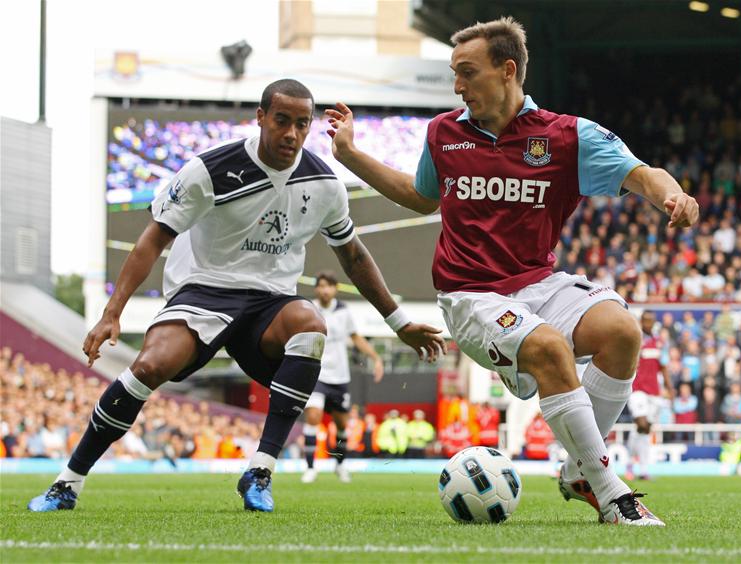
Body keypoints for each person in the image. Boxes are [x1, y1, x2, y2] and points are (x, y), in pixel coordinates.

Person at [326, 17, 699, 525]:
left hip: (539, 285)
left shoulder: (567, 137)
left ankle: (578, 471)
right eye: (454, 74)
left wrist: (672, 194)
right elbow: (419, 196)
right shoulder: (443, 134)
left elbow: (640, 174)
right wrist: (349, 154)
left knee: (622, 332)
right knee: (547, 347)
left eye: (467, 72)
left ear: (507, 71)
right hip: (469, 294)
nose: (458, 85)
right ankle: (613, 494)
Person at [28, 79, 444, 513]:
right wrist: (113, 313)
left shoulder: (324, 183)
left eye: (302, 124)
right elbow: (151, 241)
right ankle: (67, 484)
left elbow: (354, 256)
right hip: (204, 291)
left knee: (310, 326)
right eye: (282, 121)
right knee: (149, 365)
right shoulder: (209, 170)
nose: (291, 134)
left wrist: (399, 323)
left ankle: (260, 472)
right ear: (261, 118)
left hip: (270, 301)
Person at [301, 270, 384, 483]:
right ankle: (310, 467)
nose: (324, 290)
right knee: (313, 417)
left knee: (341, 426)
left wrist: (375, 357)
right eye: (320, 285)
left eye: (328, 285)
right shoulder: (309, 308)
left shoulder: (344, 311)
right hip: (315, 373)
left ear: (335, 288)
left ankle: (339, 465)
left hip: (339, 376)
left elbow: (355, 337)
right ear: (316, 289)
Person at [625, 311, 675, 481]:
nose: (648, 323)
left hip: (654, 392)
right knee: (642, 423)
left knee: (643, 430)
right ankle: (635, 464)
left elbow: (664, 367)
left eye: (651, 321)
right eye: (645, 320)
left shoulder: (659, 343)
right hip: (637, 389)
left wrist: (670, 388)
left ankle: (639, 467)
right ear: (641, 321)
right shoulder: (635, 340)